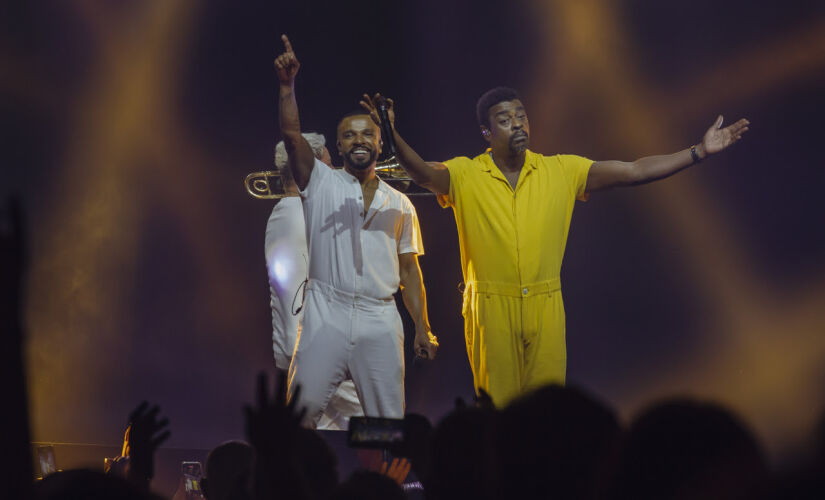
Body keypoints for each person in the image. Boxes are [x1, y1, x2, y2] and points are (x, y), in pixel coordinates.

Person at [360, 87, 749, 407]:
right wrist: (393, 136)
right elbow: (422, 173)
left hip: (546, 305)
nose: (517, 124)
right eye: (505, 119)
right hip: (491, 309)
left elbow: (634, 171)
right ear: (486, 132)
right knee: (500, 416)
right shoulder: (465, 173)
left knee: (546, 417)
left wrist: (697, 152)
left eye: (521, 115)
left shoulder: (562, 170)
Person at [274, 35, 438, 427]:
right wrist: (287, 86)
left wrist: (422, 327)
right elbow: (292, 137)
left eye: (368, 134)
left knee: (385, 425)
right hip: (325, 311)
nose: (359, 140)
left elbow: (410, 272)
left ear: (381, 142)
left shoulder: (400, 203)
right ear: (339, 144)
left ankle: (380, 486)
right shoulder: (321, 182)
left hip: (380, 317)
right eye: (349, 135)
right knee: (298, 418)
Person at [267, 135, 364, 430]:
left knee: (321, 460)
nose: (337, 173)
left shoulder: (284, 213)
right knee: (380, 438)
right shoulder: (307, 215)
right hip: (326, 355)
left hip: (306, 355)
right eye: (329, 166)